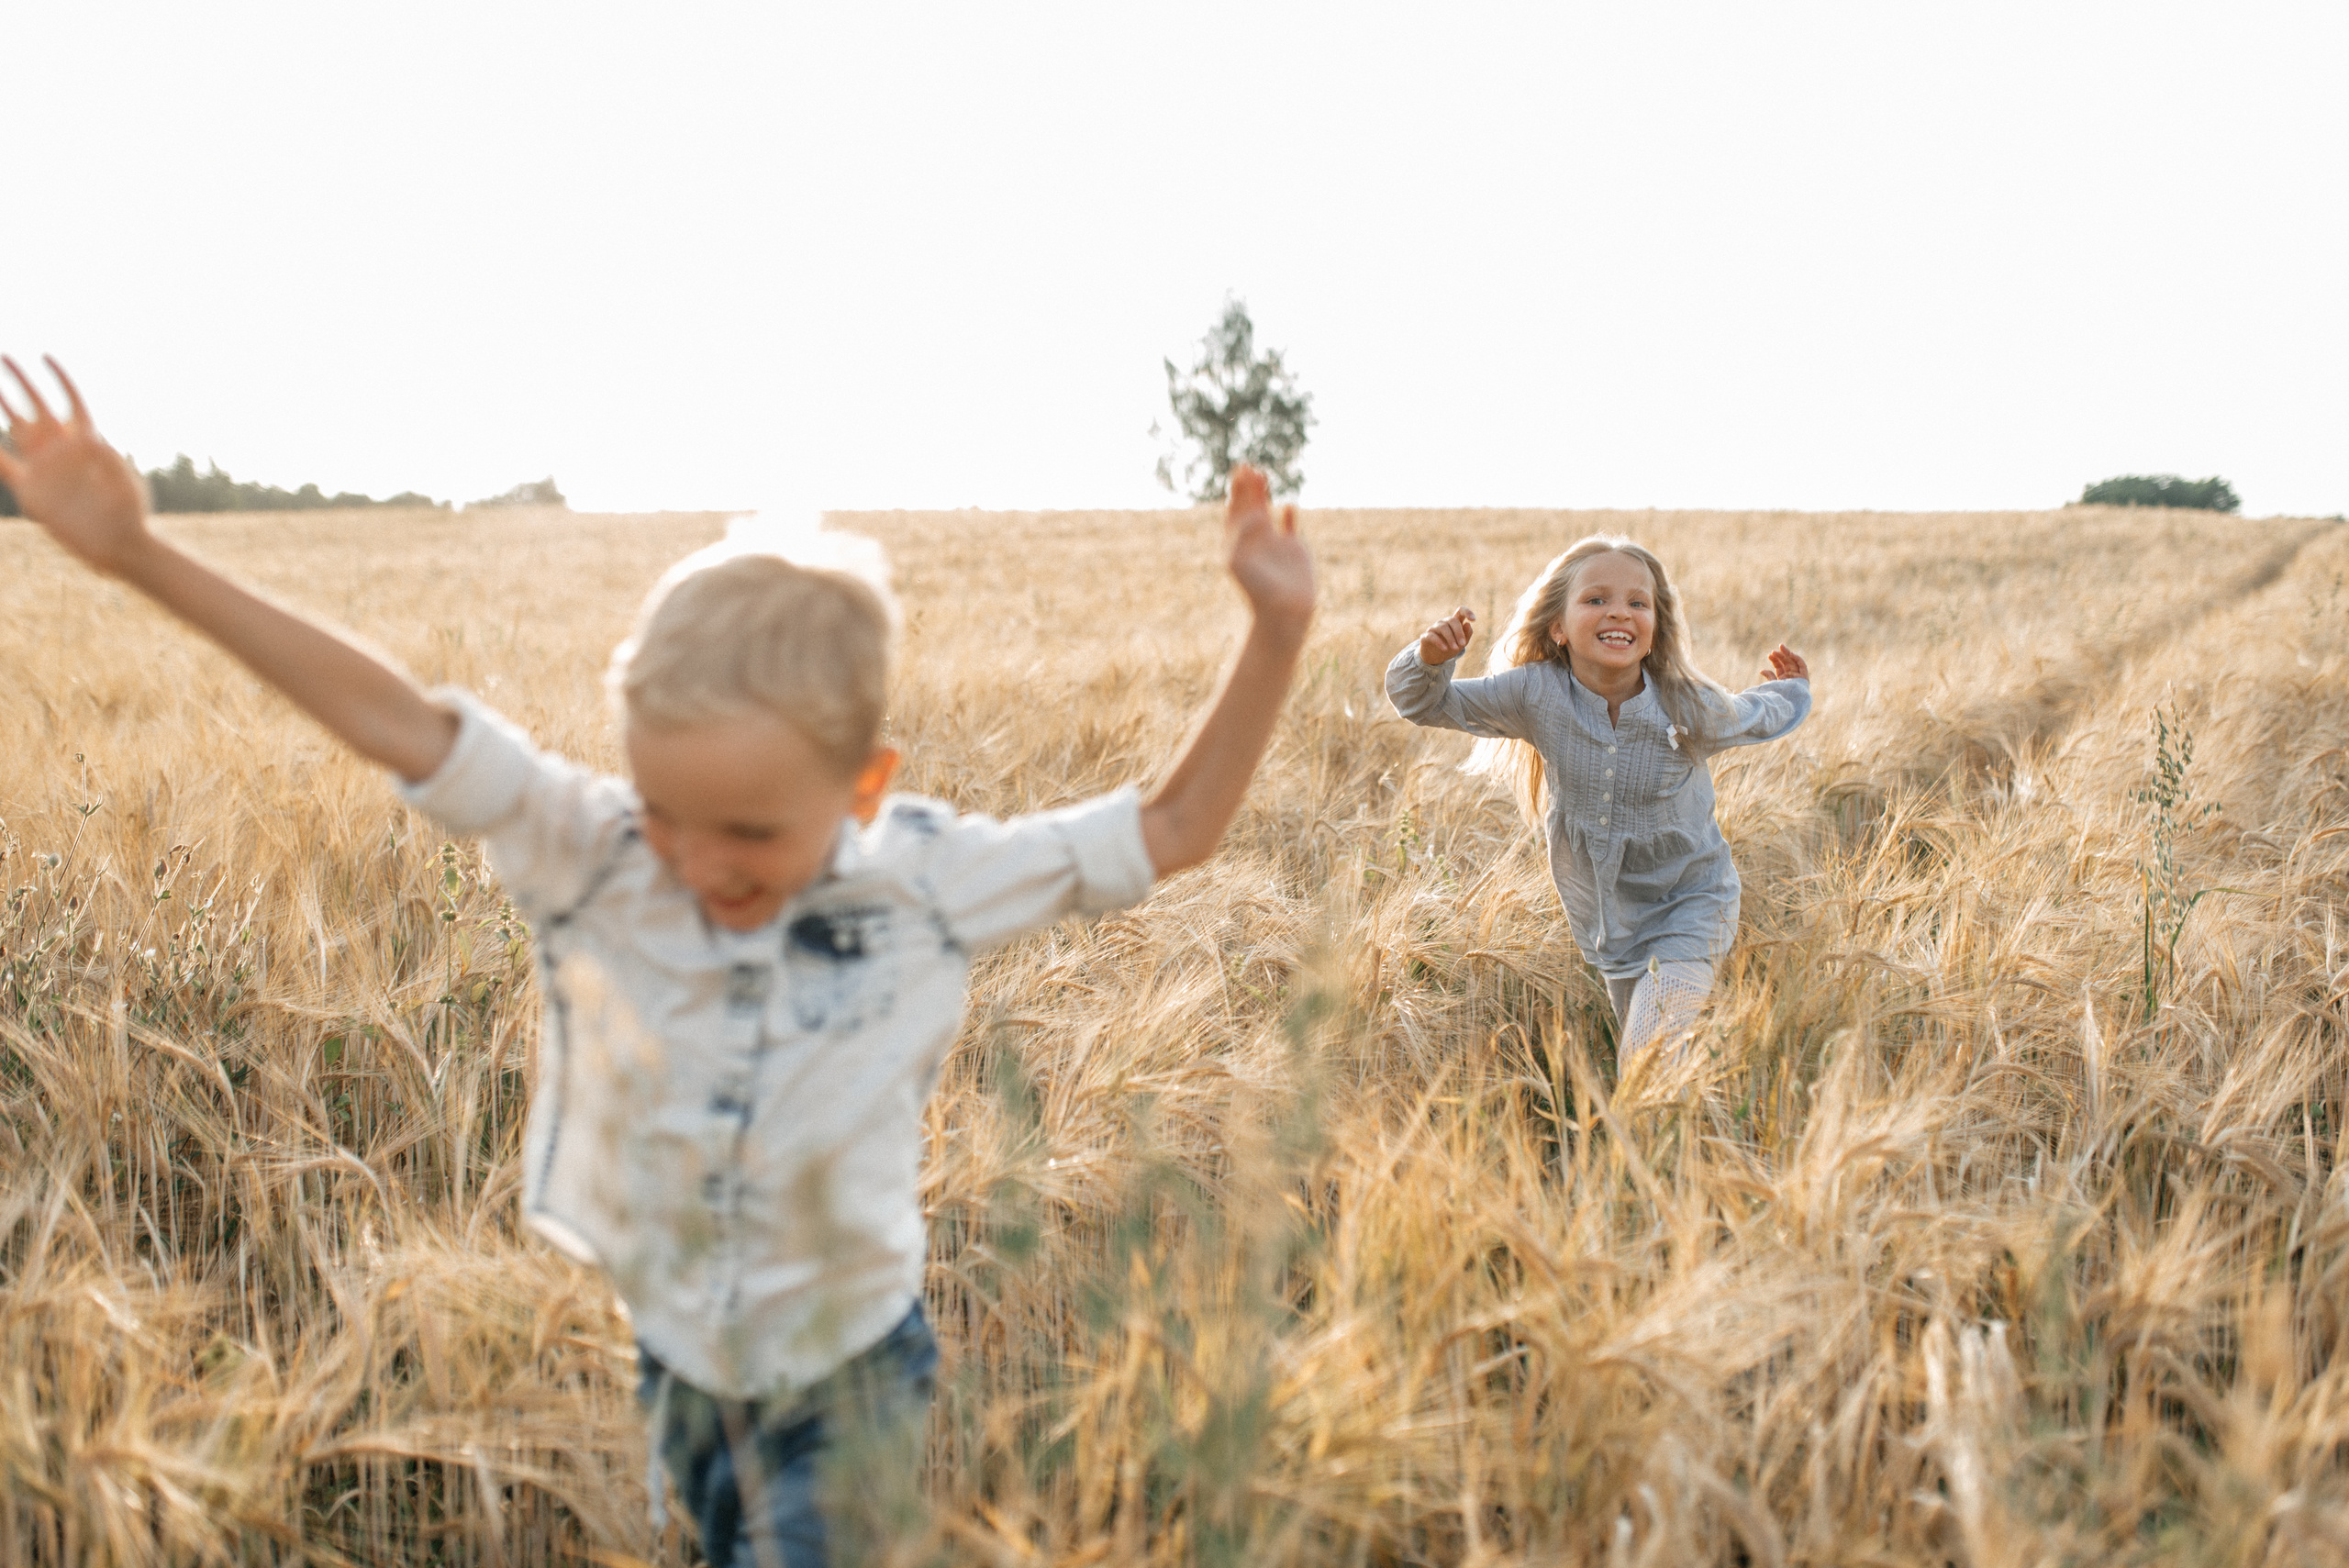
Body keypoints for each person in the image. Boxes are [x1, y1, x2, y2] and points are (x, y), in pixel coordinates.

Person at [0, 355, 1317, 1567]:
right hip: (677, 1362)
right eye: (664, 808)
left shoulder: (924, 873)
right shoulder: (594, 848)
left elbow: (1173, 829)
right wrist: (138, 557)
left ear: (867, 789)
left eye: (751, 829)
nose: (694, 858)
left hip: (854, 1372)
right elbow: (396, 720)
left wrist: (1272, 635)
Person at [1387, 535, 1809, 1062]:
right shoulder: (1534, 693)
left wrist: (1792, 691)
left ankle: (1669, 1137)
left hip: (1693, 903)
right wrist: (1428, 660)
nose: (1620, 613)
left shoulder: (1685, 704)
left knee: (1649, 1056)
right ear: (1557, 627)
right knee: (1651, 1064)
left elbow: (1755, 715)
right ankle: (1686, 1141)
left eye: (1638, 603)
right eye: (1596, 599)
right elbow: (1426, 704)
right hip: (1609, 920)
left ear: (1655, 632)